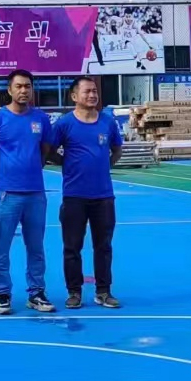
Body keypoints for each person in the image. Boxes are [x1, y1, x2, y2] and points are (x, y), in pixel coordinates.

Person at [0, 69, 55, 315]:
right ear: (9, 90)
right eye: (19, 86)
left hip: (35, 193)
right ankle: (2, 294)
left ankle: (36, 293)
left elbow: (44, 150)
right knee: (1, 246)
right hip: (7, 194)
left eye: (27, 86)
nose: (24, 90)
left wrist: (30, 170)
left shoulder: (41, 119)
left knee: (36, 246)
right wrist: (2, 175)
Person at [52, 76, 123, 309]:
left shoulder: (107, 123)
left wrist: (103, 166)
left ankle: (103, 291)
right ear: (74, 96)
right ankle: (74, 292)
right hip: (74, 196)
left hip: (103, 196)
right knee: (72, 247)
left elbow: (117, 149)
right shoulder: (64, 124)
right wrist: (67, 164)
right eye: (87, 91)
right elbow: (49, 150)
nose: (92, 95)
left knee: (104, 246)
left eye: (94, 91)